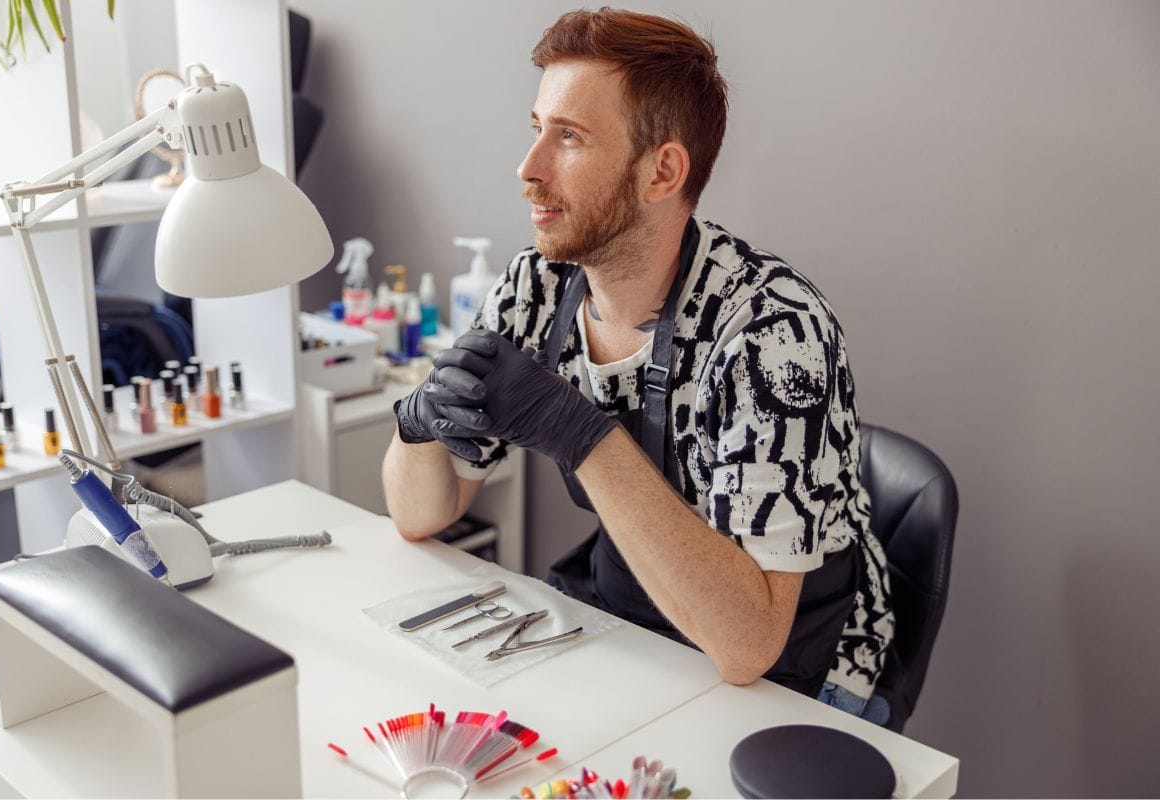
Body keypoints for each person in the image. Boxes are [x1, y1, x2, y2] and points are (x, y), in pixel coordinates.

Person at [382, 7, 893, 723]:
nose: (528, 170)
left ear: (662, 172)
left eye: (569, 138)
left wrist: (578, 433)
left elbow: (749, 645)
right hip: (633, 624)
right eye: (537, 130)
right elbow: (420, 515)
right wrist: (416, 421)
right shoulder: (539, 286)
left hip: (795, 683)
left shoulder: (773, 333)